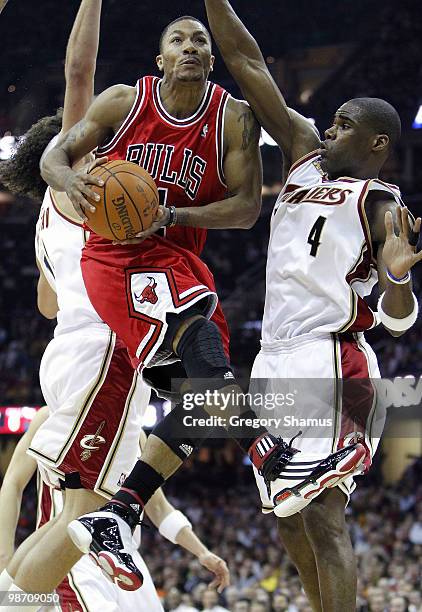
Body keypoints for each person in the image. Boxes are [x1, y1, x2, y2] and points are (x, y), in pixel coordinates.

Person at [41, 13, 366, 589]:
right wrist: (66, 182)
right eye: (177, 40)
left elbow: (245, 209)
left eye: (200, 41)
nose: (190, 47)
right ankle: (268, 454)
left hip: (181, 260)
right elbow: (54, 156)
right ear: (160, 57)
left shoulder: (231, 118)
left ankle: (119, 513)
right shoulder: (122, 103)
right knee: (207, 359)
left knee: (204, 401)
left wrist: (171, 215)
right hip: (117, 259)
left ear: (211, 60)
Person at [0, 1, 226, 602]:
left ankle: (17, 593)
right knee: (86, 520)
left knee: (81, 515)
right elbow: (80, 72)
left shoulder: (47, 224)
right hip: (104, 354)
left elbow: (48, 304)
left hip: (67, 354)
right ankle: (11, 594)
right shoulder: (83, 180)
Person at [203, 1, 422, 611]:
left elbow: (400, 318)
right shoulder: (302, 151)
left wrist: (398, 279)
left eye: (344, 124)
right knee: (288, 519)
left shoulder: (382, 207)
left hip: (330, 359)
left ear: (377, 141)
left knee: (324, 514)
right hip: (275, 358)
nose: (329, 127)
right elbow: (246, 61)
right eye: (331, 119)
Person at [0, 407, 229, 611]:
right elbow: (12, 483)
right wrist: (4, 556)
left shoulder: (136, 434)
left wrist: (202, 552)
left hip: (126, 558)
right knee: (12, 602)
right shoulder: (51, 416)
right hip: (73, 555)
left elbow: (159, 508)